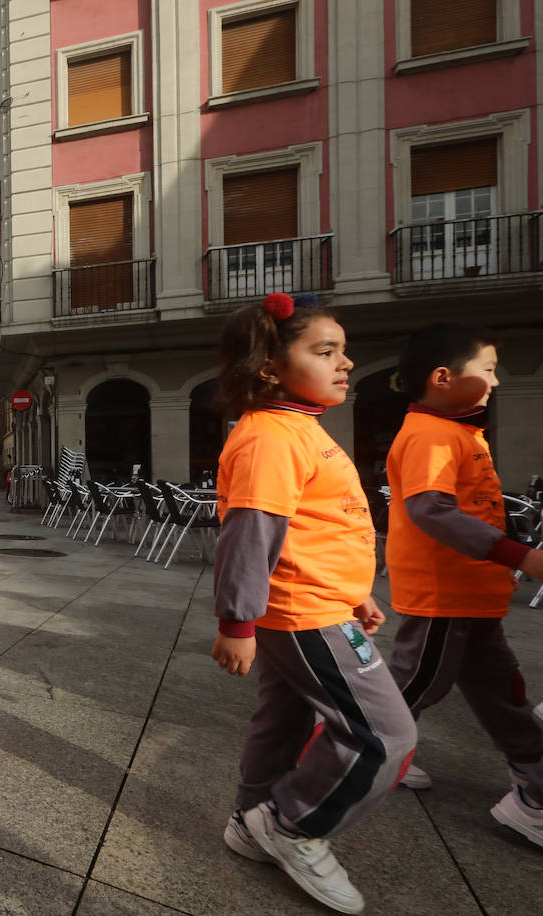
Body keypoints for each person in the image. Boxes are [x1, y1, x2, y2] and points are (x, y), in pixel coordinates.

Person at [210, 293, 416, 914]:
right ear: (269, 366)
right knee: (385, 735)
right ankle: (293, 825)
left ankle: (254, 817)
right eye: (324, 351)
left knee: (286, 717)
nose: (345, 363)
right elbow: (250, 533)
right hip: (301, 611)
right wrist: (236, 622)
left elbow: (321, 526)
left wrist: (357, 596)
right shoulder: (272, 436)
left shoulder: (299, 427)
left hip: (322, 604)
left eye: (343, 351)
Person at [383, 323, 543, 846]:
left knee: (501, 690)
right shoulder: (431, 434)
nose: (495, 382)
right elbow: (431, 509)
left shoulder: (458, 430)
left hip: (471, 591)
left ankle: (533, 779)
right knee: (415, 683)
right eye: (488, 370)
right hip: (443, 591)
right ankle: (353, 751)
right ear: (443, 378)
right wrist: (521, 555)